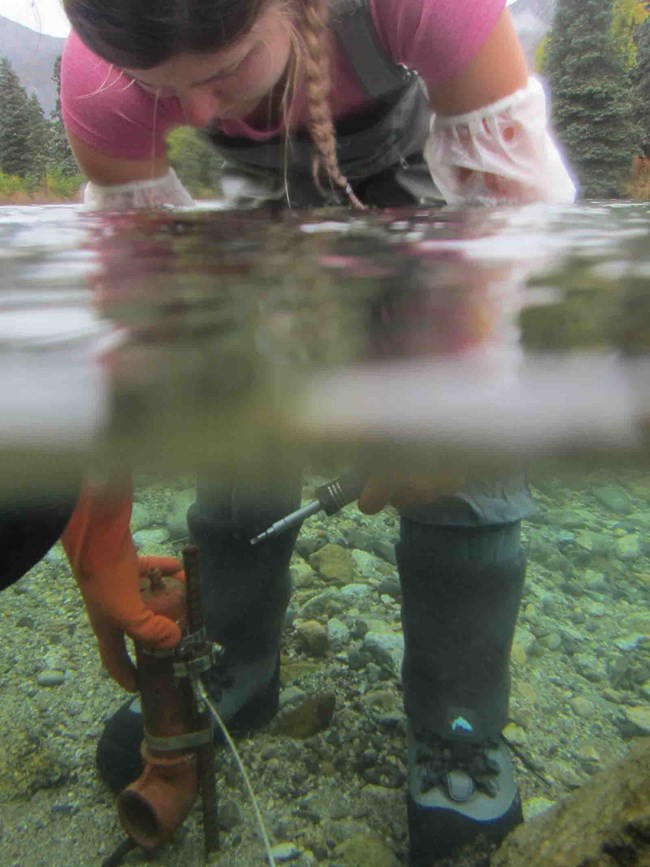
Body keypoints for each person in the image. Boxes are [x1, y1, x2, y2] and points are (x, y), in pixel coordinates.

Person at [59, 1, 576, 864]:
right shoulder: (102, 73)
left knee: (470, 473)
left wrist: (448, 384)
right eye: (162, 89)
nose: (193, 114)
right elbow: (139, 312)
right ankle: (235, 671)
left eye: (223, 72)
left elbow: (509, 205)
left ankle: (459, 729)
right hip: (262, 224)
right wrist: (97, 526)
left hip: (441, 198)